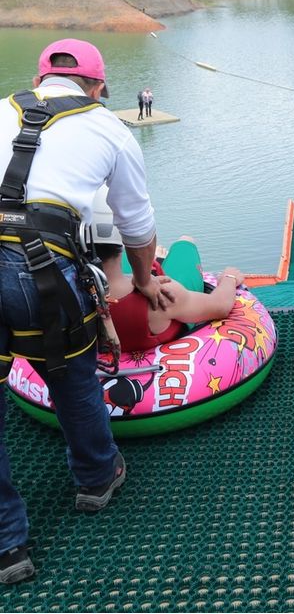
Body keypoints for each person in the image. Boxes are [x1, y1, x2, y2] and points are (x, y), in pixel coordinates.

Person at [0, 39, 172, 584]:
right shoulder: (107, 127)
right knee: (72, 373)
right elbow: (137, 225)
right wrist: (144, 279)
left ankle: (7, 546)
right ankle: (96, 478)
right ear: (99, 87)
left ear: (37, 78)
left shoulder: (2, 108)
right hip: (41, 271)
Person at [89, 187, 244, 353]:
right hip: (156, 304)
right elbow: (221, 306)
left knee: (142, 265)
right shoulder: (164, 296)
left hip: (115, 286)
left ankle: (152, 262)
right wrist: (229, 277)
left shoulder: (67, 297)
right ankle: (153, 260)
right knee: (185, 243)